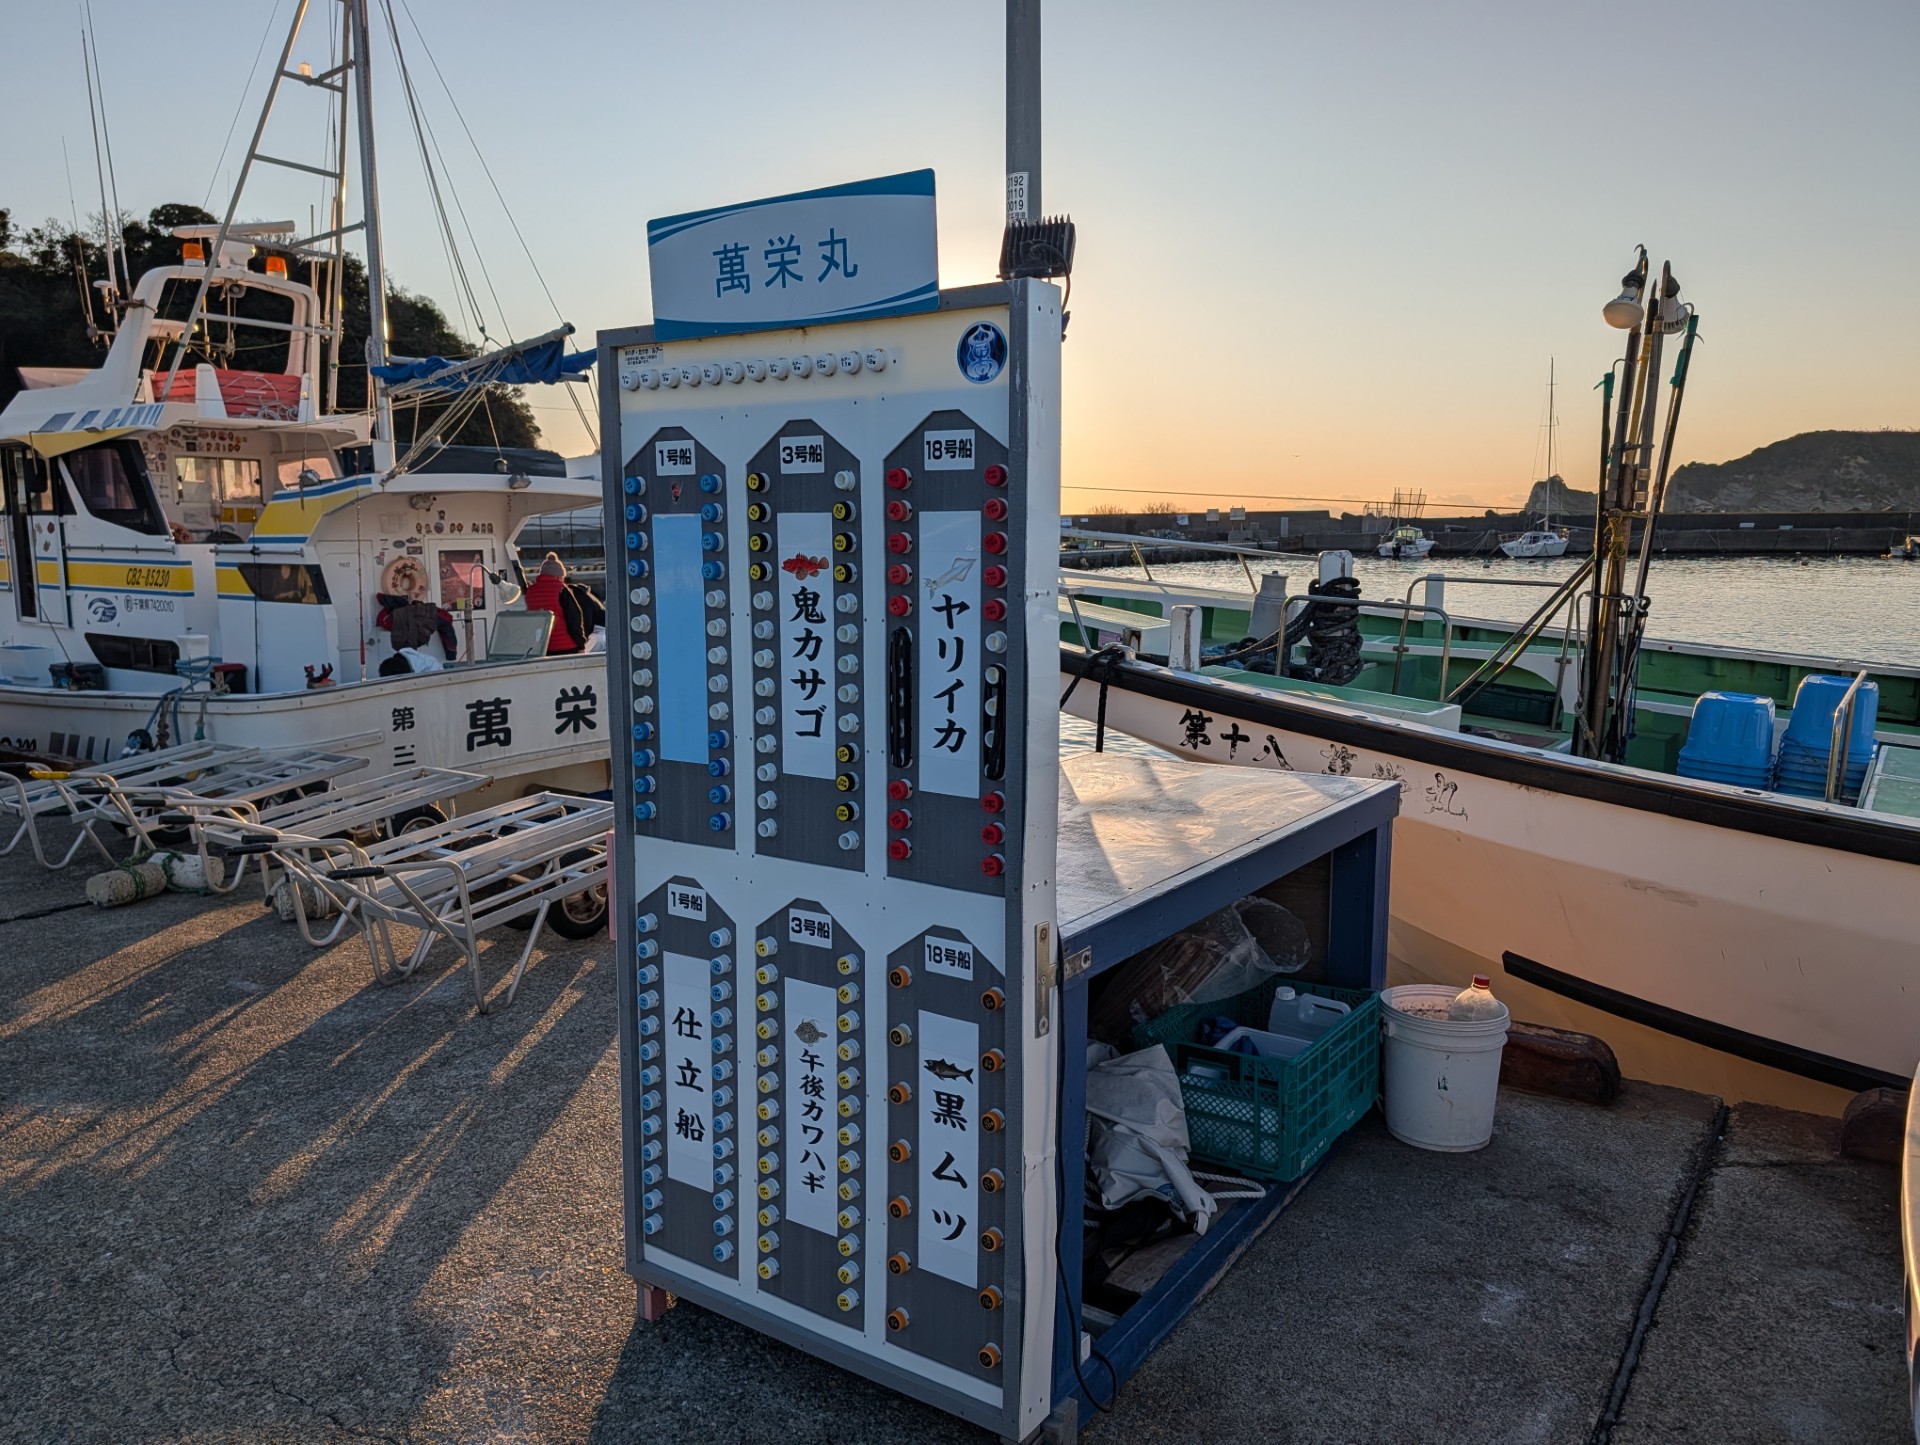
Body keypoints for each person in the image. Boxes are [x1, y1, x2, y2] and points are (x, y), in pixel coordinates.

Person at [523, 553, 584, 654]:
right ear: (559, 576)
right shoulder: (561, 590)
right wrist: (581, 645)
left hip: (542, 647)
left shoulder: (530, 591)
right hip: (565, 646)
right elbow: (574, 619)